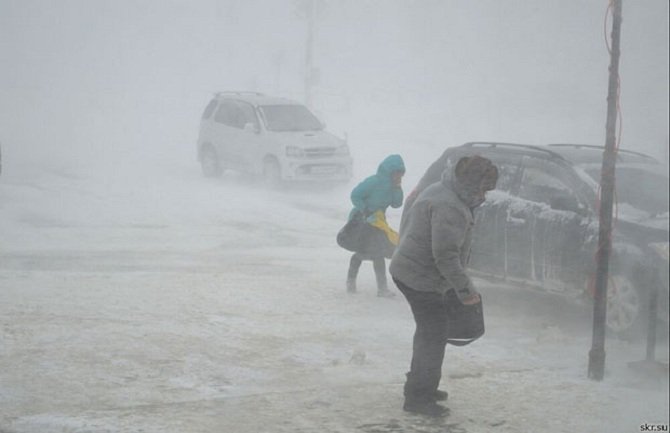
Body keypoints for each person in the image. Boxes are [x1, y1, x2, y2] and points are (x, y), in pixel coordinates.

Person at [389, 155, 498, 417]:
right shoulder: (449, 206)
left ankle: (420, 384)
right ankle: (418, 398)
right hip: (420, 278)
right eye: (483, 188)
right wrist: (465, 291)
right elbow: (446, 256)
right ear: (471, 184)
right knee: (433, 336)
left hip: (413, 271)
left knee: (429, 333)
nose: (485, 195)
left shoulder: (443, 189)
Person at [346, 154, 405, 298]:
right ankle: (381, 288)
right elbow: (355, 195)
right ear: (389, 171)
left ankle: (354, 281)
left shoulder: (393, 186)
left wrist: (397, 187)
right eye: (396, 172)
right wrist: (365, 210)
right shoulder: (374, 182)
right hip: (362, 220)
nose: (398, 176)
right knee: (376, 253)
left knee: (372, 252)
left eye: (401, 173)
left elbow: (397, 204)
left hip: (378, 223)